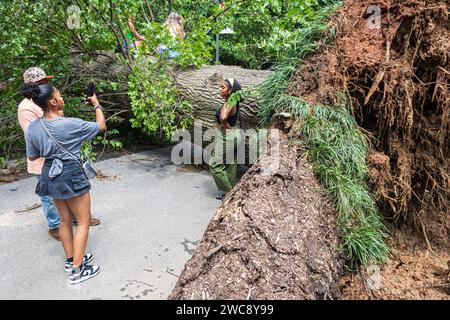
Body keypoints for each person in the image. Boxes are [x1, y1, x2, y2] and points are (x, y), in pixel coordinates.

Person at [24, 82, 106, 284]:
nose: (62, 98)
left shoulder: (33, 127)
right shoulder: (70, 123)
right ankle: (77, 271)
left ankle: (71, 260)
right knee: (84, 221)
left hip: (50, 173)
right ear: (53, 102)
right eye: (59, 95)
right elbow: (101, 126)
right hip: (70, 172)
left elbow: (33, 156)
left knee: (64, 220)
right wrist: (96, 104)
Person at [18, 67, 101, 242]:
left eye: (46, 81)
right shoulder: (26, 107)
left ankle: (77, 218)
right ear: (33, 85)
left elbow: (55, 122)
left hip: (60, 158)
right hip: (44, 160)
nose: (46, 84)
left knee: (68, 192)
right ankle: (55, 226)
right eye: (42, 82)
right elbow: (33, 135)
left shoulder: (43, 100)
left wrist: (58, 117)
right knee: (49, 197)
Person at [209, 78, 243, 200]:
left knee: (214, 164)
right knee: (230, 164)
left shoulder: (230, 102)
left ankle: (230, 194)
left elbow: (223, 117)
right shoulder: (232, 101)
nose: (220, 89)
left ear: (230, 90)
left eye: (222, 87)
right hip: (234, 134)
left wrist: (223, 122)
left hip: (228, 137)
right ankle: (228, 190)